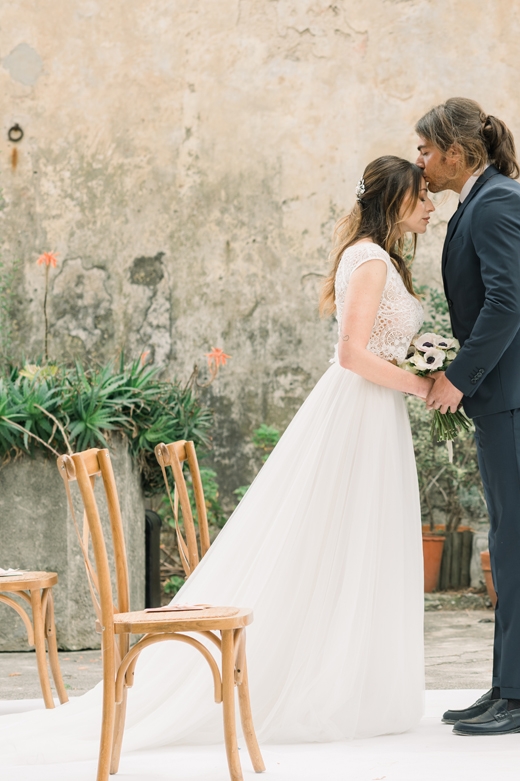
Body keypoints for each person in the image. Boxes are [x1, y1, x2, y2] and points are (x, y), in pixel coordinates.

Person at [0, 156, 437, 765]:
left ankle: (355, 678)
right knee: (336, 538)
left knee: (360, 541)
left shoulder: (381, 259)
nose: (431, 205)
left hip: (375, 414)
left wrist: (423, 366)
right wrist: (424, 386)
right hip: (359, 409)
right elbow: (351, 355)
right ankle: (321, 682)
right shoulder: (369, 260)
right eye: (422, 196)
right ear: (395, 199)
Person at [416, 98, 520, 737]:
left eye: (426, 149)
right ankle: (509, 684)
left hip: (517, 394)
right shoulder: (482, 201)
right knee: (506, 543)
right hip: (507, 395)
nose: (420, 160)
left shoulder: (499, 202)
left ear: (456, 152)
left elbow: (508, 305)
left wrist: (456, 376)